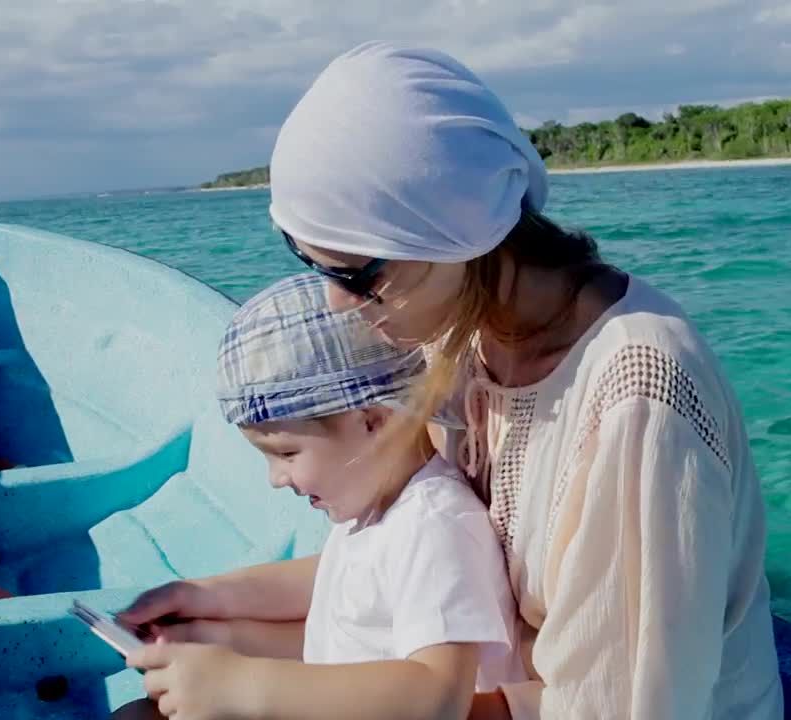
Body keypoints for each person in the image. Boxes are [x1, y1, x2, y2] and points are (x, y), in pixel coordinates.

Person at [266, 41, 786, 719]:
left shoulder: (636, 398)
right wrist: (207, 608)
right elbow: (415, 566)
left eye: (355, 274)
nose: (338, 305)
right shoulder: (459, 337)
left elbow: (619, 707)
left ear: (453, 236)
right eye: (309, 261)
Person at [112, 273, 522, 719]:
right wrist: (203, 604)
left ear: (373, 420)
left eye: (286, 453)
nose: (276, 478)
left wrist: (242, 684)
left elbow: (439, 696)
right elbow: (342, 584)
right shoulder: (374, 508)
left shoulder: (437, 525)